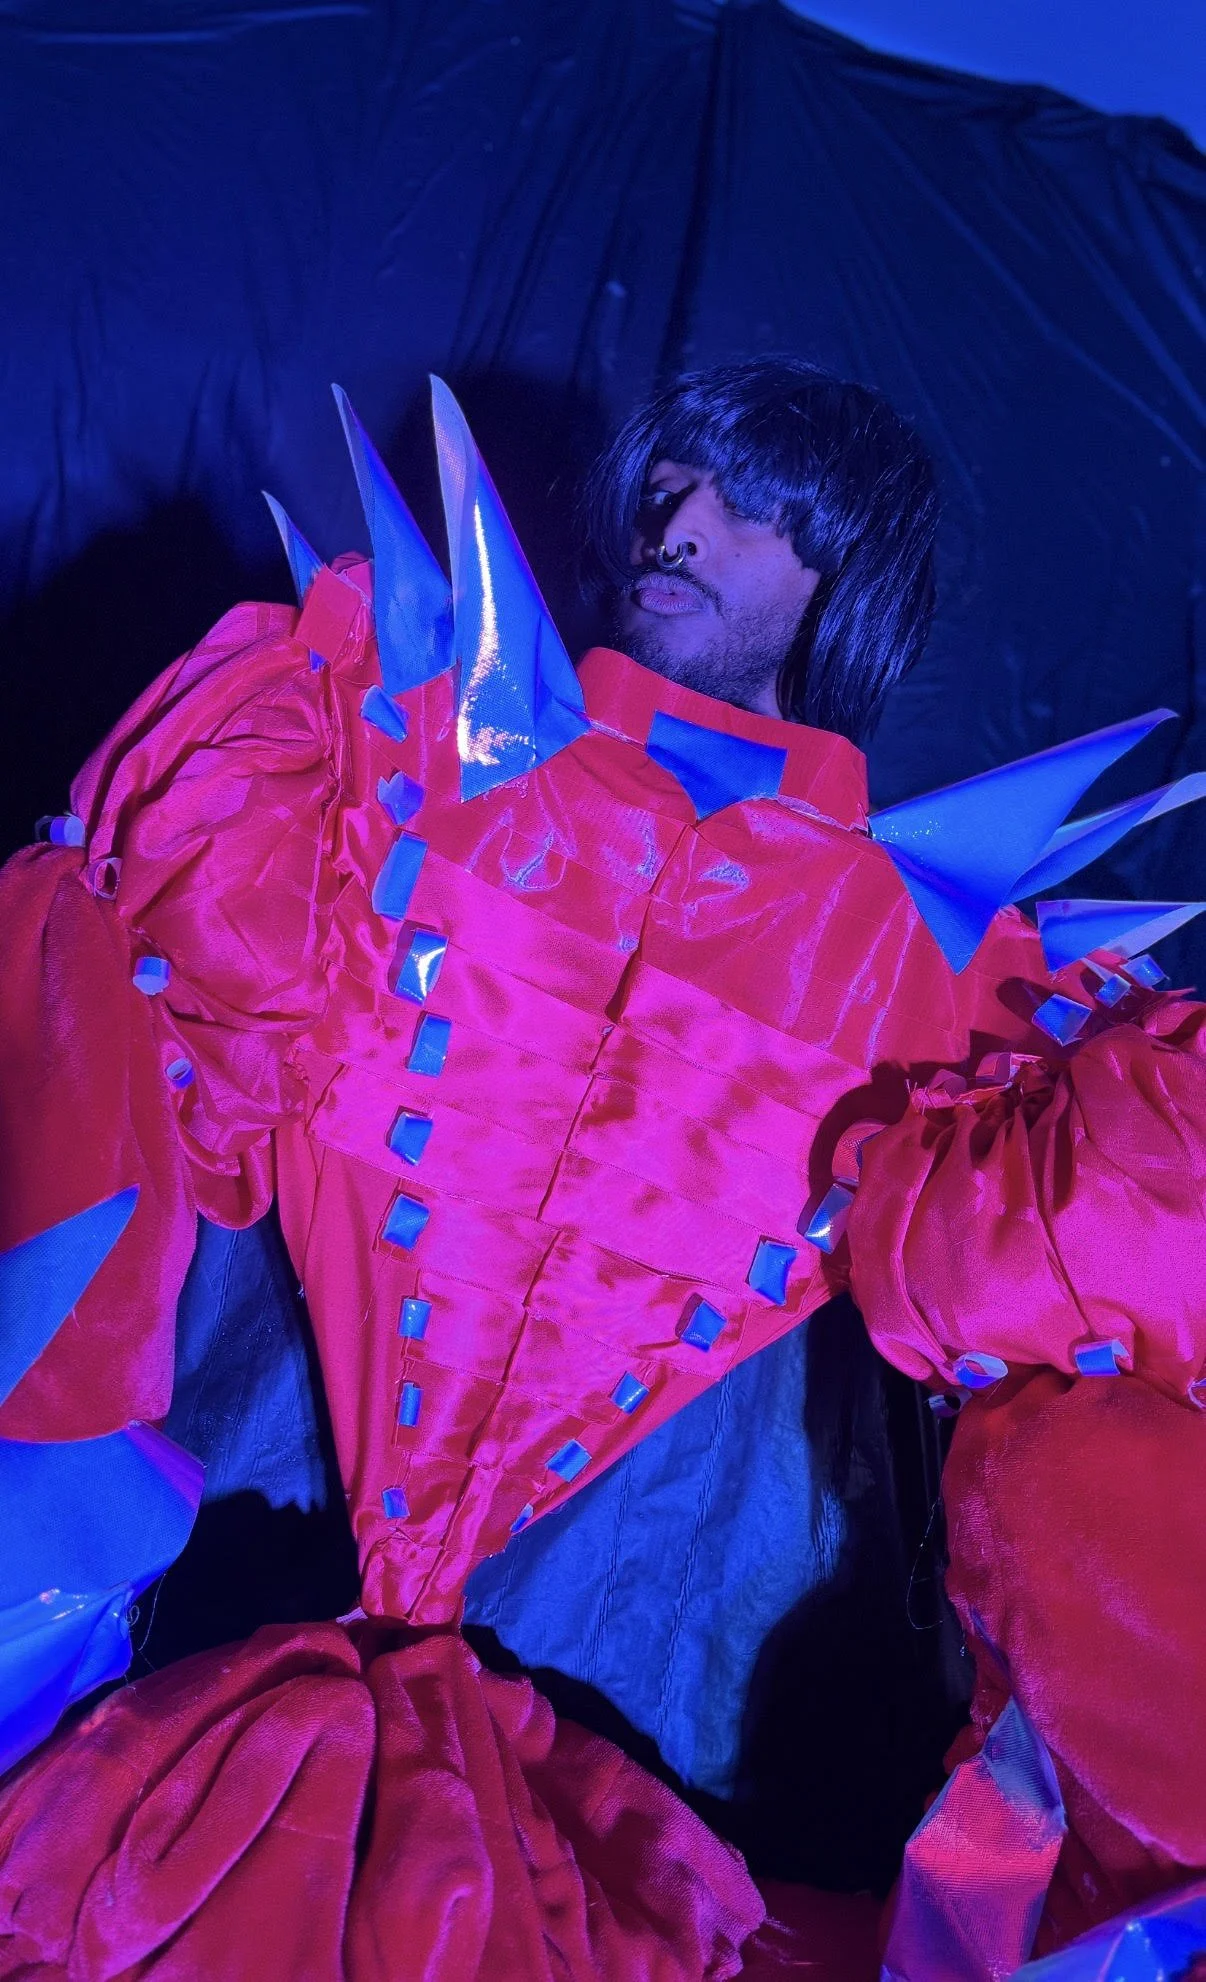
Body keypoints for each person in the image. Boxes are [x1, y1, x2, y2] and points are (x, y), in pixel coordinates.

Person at [0, 358, 1204, 1981]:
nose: (676, 522)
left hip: (609, 1704)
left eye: (747, 499)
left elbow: (1090, 1265)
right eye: (664, 490)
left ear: (840, 563)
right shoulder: (382, 749)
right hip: (218, 1599)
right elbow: (127, 1047)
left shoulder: (949, 977)